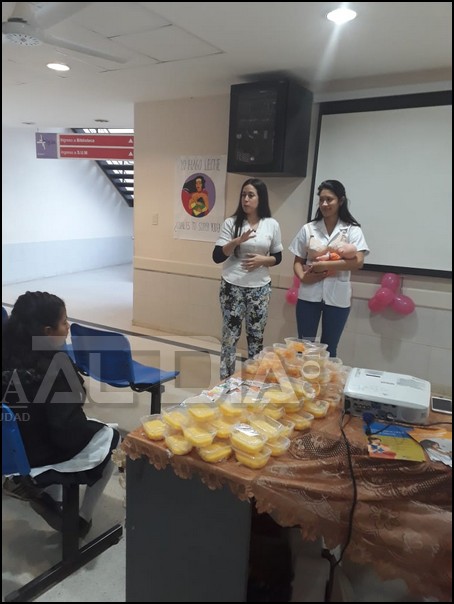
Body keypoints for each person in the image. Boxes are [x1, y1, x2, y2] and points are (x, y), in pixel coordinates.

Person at [1, 291, 120, 538]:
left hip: (9, 448)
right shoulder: (55, 366)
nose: (68, 327)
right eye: (64, 322)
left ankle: (48, 496)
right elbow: (66, 432)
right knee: (111, 438)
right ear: (47, 331)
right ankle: (81, 518)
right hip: (36, 453)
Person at [288, 179, 369, 357]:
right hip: (308, 296)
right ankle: (304, 376)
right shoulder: (308, 228)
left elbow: (358, 262)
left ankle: (326, 376)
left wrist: (324, 265)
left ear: (341, 201)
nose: (324, 204)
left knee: (330, 348)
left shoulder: (352, 229)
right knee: (304, 346)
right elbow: (297, 261)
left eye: (329, 199)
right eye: (321, 200)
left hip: (338, 298)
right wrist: (302, 277)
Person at [213, 178, 283, 379]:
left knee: (256, 336)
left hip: (259, 288)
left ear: (260, 198)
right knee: (230, 336)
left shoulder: (271, 224)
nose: (246, 199)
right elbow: (217, 256)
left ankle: (254, 379)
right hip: (232, 286)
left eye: (251, 195)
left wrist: (263, 260)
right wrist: (237, 241)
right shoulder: (231, 223)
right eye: (243, 195)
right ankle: (226, 380)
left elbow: (278, 257)